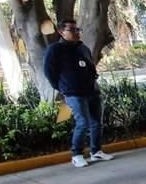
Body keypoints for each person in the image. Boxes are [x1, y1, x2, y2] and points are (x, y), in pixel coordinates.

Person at [43, 19, 114, 168]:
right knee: (83, 122)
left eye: (77, 30)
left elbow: (90, 67)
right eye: (72, 30)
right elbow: (49, 73)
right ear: (61, 32)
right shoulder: (55, 50)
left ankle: (96, 151)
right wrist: (62, 88)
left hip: (91, 90)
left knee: (96, 122)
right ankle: (77, 155)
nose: (76, 33)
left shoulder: (83, 48)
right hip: (73, 93)